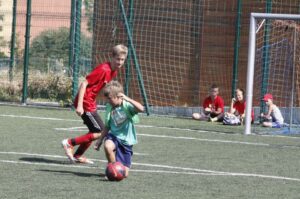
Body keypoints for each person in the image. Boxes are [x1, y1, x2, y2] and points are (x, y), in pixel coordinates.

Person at [61, 44, 128, 164]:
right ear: (112, 57)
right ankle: (69, 143)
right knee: (99, 132)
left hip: (90, 102)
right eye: (118, 59)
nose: (120, 62)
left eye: (122, 59)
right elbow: (84, 84)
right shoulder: (104, 69)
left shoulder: (113, 71)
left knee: (94, 131)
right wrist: (80, 105)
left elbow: (99, 89)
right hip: (85, 102)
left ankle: (78, 155)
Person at [95, 80, 144, 178]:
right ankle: (112, 167)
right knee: (108, 146)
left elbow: (141, 109)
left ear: (118, 96)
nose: (108, 101)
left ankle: (118, 169)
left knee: (124, 174)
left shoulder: (126, 106)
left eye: (110, 99)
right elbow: (107, 126)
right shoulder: (109, 107)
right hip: (114, 136)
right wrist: (100, 140)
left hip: (126, 141)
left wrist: (128, 99)